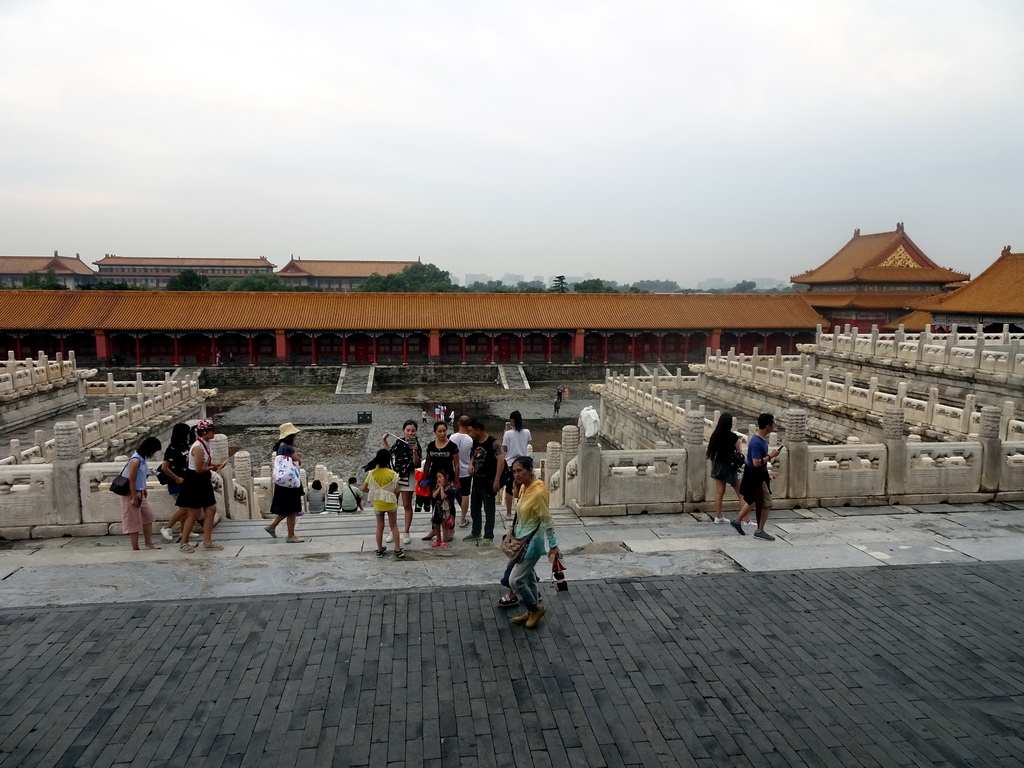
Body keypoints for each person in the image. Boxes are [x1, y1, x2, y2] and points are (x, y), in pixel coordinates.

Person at [508, 456, 559, 629]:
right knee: (528, 578)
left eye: (520, 470)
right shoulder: (524, 487)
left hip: (532, 542)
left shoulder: (538, 492)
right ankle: (530, 611)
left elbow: (546, 519)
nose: (516, 474)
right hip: (521, 539)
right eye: (514, 471)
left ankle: (535, 608)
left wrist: (553, 544)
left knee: (515, 580)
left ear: (530, 470)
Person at [176, 419, 227, 553]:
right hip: (194, 481)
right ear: (205, 431)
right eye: (212, 430)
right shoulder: (197, 447)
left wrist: (214, 467)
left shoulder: (205, 444)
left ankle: (207, 542)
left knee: (211, 509)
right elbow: (198, 469)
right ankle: (184, 542)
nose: (214, 432)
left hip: (203, 480)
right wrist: (211, 467)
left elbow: (204, 466)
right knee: (194, 513)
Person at [734, 413, 782, 540]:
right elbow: (756, 462)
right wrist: (771, 456)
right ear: (767, 426)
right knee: (766, 503)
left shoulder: (760, 439)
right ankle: (759, 531)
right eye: (773, 423)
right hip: (756, 475)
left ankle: (737, 521)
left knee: (753, 500)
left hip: (757, 474)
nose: (774, 425)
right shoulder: (756, 442)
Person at [706, 412, 750, 524]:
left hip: (718, 466)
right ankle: (746, 520)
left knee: (719, 492)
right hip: (730, 468)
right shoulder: (733, 437)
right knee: (741, 494)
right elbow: (739, 452)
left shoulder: (715, 435)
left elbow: (711, 452)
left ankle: (718, 516)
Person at [264, 423, 305, 543]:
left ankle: (272, 527)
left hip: (282, 482)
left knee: (288, 509)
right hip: (290, 483)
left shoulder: (279, 447)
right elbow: (298, 461)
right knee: (292, 510)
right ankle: (291, 535)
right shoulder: (288, 448)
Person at [120, 436, 162, 550]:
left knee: (148, 517)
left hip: (140, 492)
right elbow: (131, 480)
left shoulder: (142, 459)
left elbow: (140, 477)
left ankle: (149, 543)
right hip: (131, 493)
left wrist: (144, 488)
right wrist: (134, 496)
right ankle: (135, 547)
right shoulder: (135, 460)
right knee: (133, 521)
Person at [382, 421, 421, 545]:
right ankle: (393, 531)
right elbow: (391, 454)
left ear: (416, 432)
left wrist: (414, 451)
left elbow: (416, 463)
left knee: (407, 505)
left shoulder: (416, 444)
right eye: (408, 430)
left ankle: (406, 531)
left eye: (413, 430)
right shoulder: (399, 442)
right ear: (403, 430)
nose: (410, 433)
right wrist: (385, 441)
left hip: (408, 476)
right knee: (392, 505)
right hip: (395, 476)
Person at [465, 419, 502, 546]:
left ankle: (488, 536)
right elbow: (472, 456)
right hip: (476, 481)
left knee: (489, 510)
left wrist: (497, 480)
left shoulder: (493, 443)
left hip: (489, 481)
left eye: (471, 431)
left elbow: (501, 461)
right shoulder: (475, 442)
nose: (469, 434)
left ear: (478, 430)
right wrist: (471, 465)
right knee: (474, 508)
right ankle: (476, 531)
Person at [362, 448, 403, 559]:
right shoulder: (393, 474)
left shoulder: (371, 474)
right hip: (391, 503)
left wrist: (374, 493)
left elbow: (363, 488)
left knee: (380, 527)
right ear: (388, 460)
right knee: (393, 525)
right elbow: (398, 490)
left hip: (378, 504)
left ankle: (380, 549)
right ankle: (398, 549)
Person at [158, 422, 191, 542]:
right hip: (176, 483)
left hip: (186, 481)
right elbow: (164, 467)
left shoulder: (185, 446)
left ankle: (184, 531)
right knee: (185, 508)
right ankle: (166, 527)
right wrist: (176, 478)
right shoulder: (172, 448)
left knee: (188, 508)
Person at [501, 410, 531, 518]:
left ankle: (509, 513)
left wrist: (506, 433)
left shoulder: (508, 434)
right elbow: (527, 443)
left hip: (511, 463)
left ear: (512, 421)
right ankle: (523, 512)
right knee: (524, 487)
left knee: (509, 488)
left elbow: (505, 449)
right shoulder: (527, 432)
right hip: (523, 462)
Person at [448, 415, 474, 527]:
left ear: (458, 423)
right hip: (465, 470)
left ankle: (448, 516)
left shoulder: (452, 437)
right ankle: (462, 519)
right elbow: (472, 456)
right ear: (469, 426)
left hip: (453, 469)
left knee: (449, 493)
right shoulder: (470, 440)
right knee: (465, 494)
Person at [430, 468, 459, 548]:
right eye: (437, 477)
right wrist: (439, 487)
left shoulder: (450, 487)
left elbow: (443, 496)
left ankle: (444, 541)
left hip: (446, 509)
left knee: (444, 525)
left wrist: (442, 487)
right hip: (438, 508)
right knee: (436, 524)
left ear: (446, 477)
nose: (439, 479)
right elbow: (434, 495)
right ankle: (438, 539)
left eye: (440, 477)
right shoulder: (437, 486)